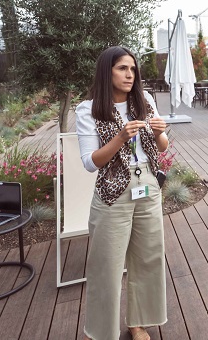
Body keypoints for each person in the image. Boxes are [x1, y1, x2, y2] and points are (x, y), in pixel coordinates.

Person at [76, 46, 169, 340]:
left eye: (132, 69)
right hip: (112, 192)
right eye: (122, 68)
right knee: (107, 265)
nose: (130, 75)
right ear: (107, 72)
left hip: (148, 184)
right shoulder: (89, 109)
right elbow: (90, 163)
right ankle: (102, 331)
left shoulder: (145, 100)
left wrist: (160, 132)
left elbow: (162, 146)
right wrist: (119, 138)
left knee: (148, 257)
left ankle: (138, 322)